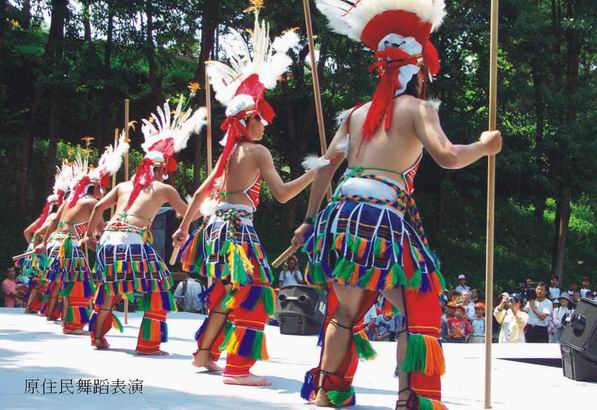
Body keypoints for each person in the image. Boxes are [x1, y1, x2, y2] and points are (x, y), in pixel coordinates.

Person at [290, 1, 503, 405]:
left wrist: (309, 220)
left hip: (341, 215)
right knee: (420, 307)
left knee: (345, 311)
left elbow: (324, 168)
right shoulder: (419, 109)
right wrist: (484, 146)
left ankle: (328, 393)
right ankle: (412, 399)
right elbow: (448, 157)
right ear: (418, 71)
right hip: (382, 217)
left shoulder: (355, 114)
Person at [173, 9, 319, 386]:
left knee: (225, 290)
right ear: (248, 121)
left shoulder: (228, 154)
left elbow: (202, 192)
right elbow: (283, 195)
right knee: (255, 291)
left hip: (214, 228)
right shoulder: (256, 152)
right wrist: (315, 173)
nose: (264, 124)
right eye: (260, 119)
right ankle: (238, 368)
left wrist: (184, 228)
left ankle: (204, 354)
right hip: (237, 229)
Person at [83, 104, 201, 353]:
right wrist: (208, 204)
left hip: (108, 242)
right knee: (159, 285)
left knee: (110, 286)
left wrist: (90, 235)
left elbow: (98, 208)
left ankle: (97, 336)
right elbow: (187, 213)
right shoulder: (164, 189)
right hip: (131, 242)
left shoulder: (123, 186)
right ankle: (148, 344)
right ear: (161, 169)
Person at [38, 154, 118, 334]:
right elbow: (101, 230)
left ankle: (66, 321)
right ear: (95, 187)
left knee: (69, 283)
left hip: (55, 244)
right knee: (79, 284)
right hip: (68, 246)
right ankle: (72, 325)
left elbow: (54, 222)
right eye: (101, 188)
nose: (103, 192)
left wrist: (43, 243)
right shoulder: (92, 202)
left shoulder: (69, 200)